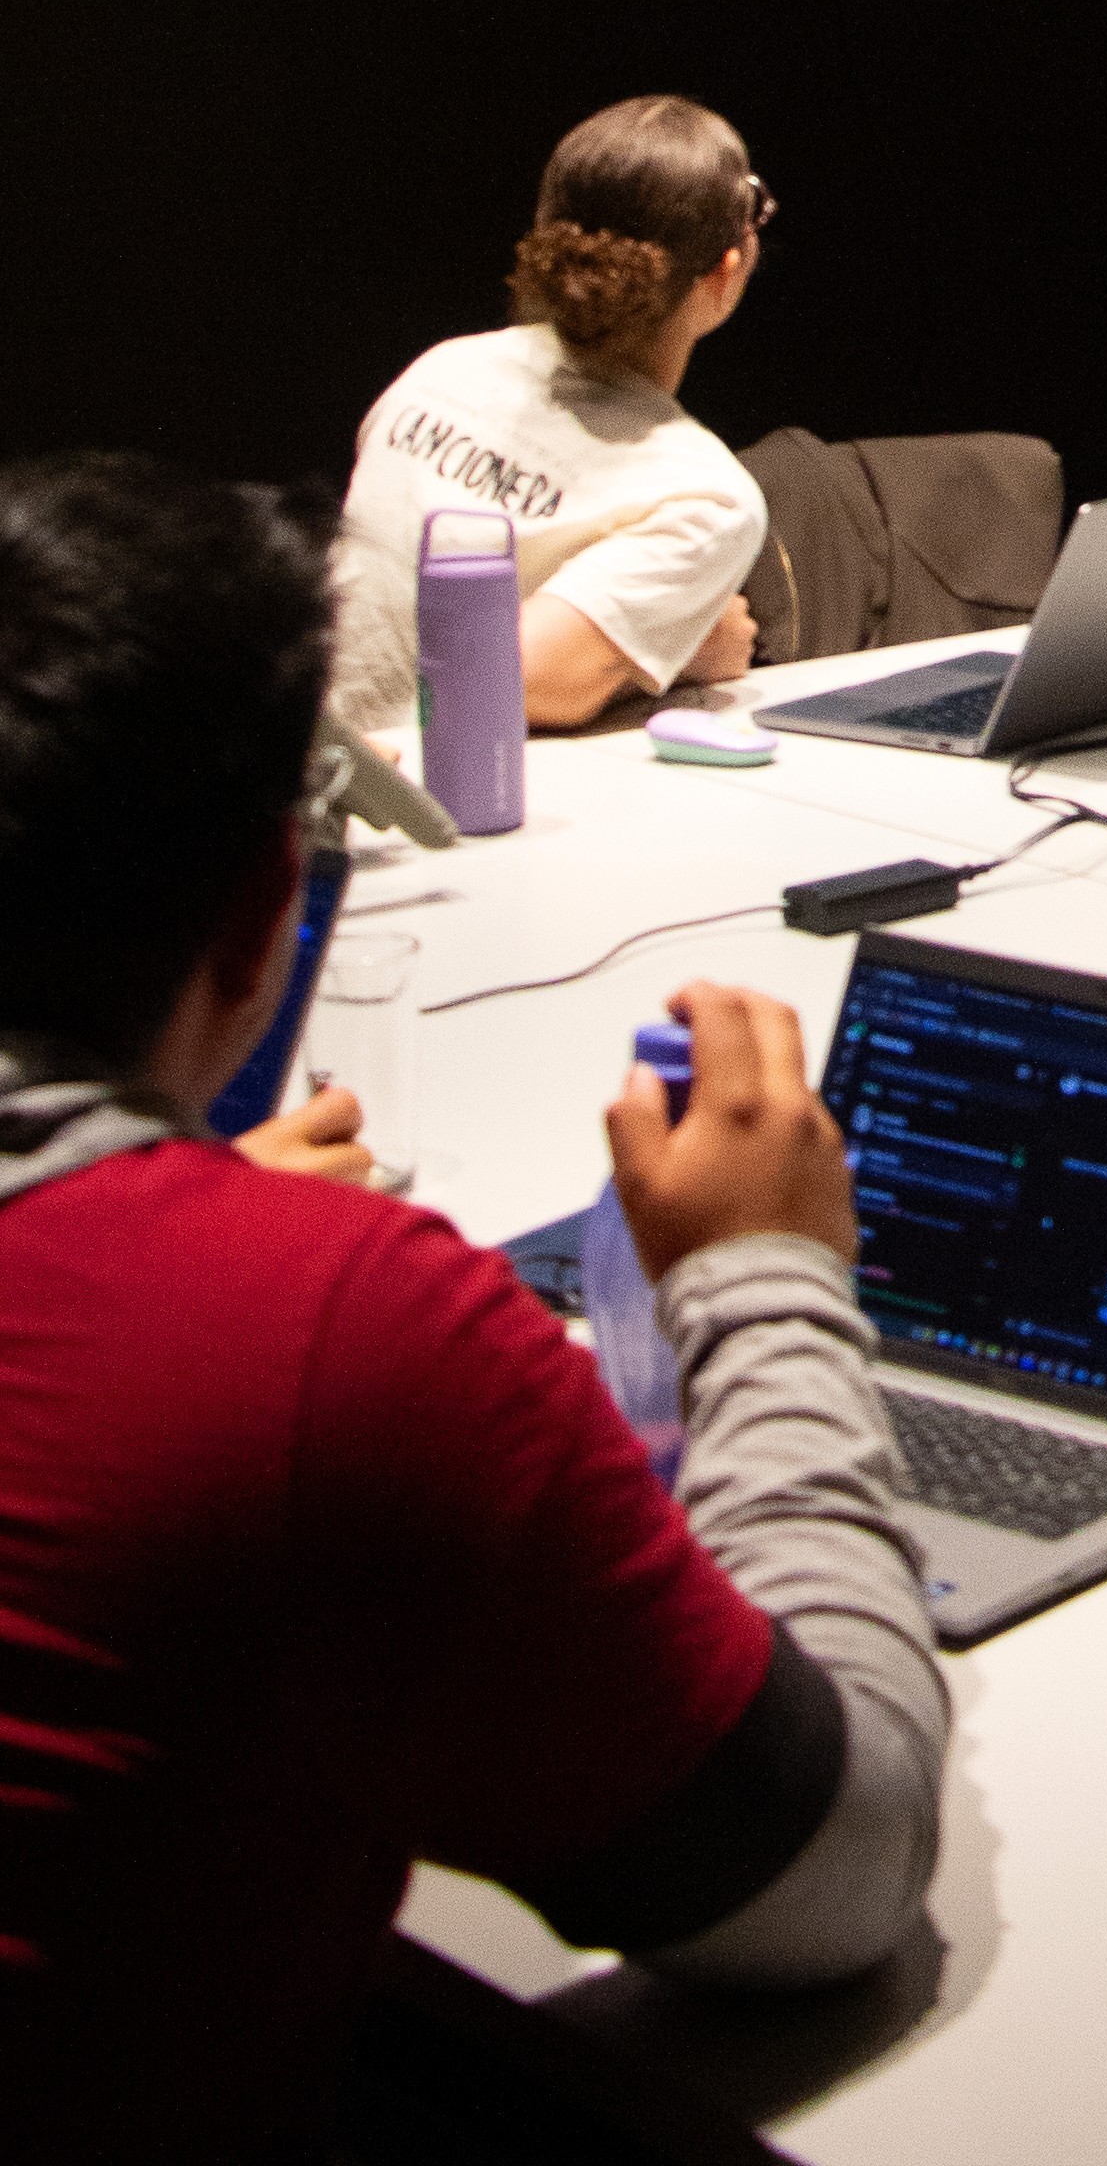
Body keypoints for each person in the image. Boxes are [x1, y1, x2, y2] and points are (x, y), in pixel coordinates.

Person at [0, 455, 947, 2162]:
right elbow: (836, 1874)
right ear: (264, 912)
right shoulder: (319, 1340)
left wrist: (159, 1236)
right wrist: (766, 1276)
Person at [330, 96, 774, 734]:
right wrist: (682, 648)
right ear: (724, 275)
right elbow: (515, 680)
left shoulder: (442, 369)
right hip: (448, 805)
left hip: (318, 774)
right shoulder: (706, 494)